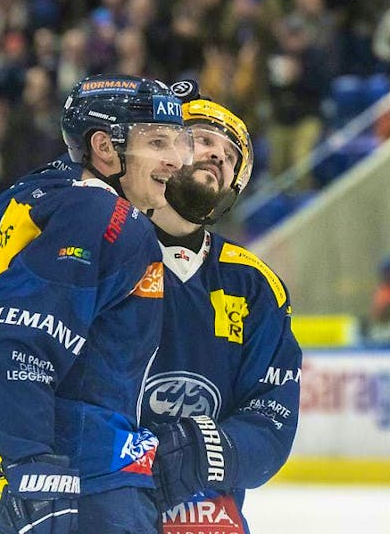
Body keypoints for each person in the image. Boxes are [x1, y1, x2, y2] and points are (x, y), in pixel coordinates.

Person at [0, 73, 194, 534]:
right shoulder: (104, 215)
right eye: (158, 142)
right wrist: (34, 465)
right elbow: (14, 340)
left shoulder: (56, 199)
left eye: (178, 142)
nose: (176, 160)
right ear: (106, 148)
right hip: (90, 488)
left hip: (57, 486)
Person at [143, 81, 303, 533]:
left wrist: (203, 450)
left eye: (230, 156)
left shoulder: (255, 285)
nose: (218, 155)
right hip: (96, 499)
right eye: (202, 140)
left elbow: (270, 415)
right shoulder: (100, 247)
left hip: (199, 511)